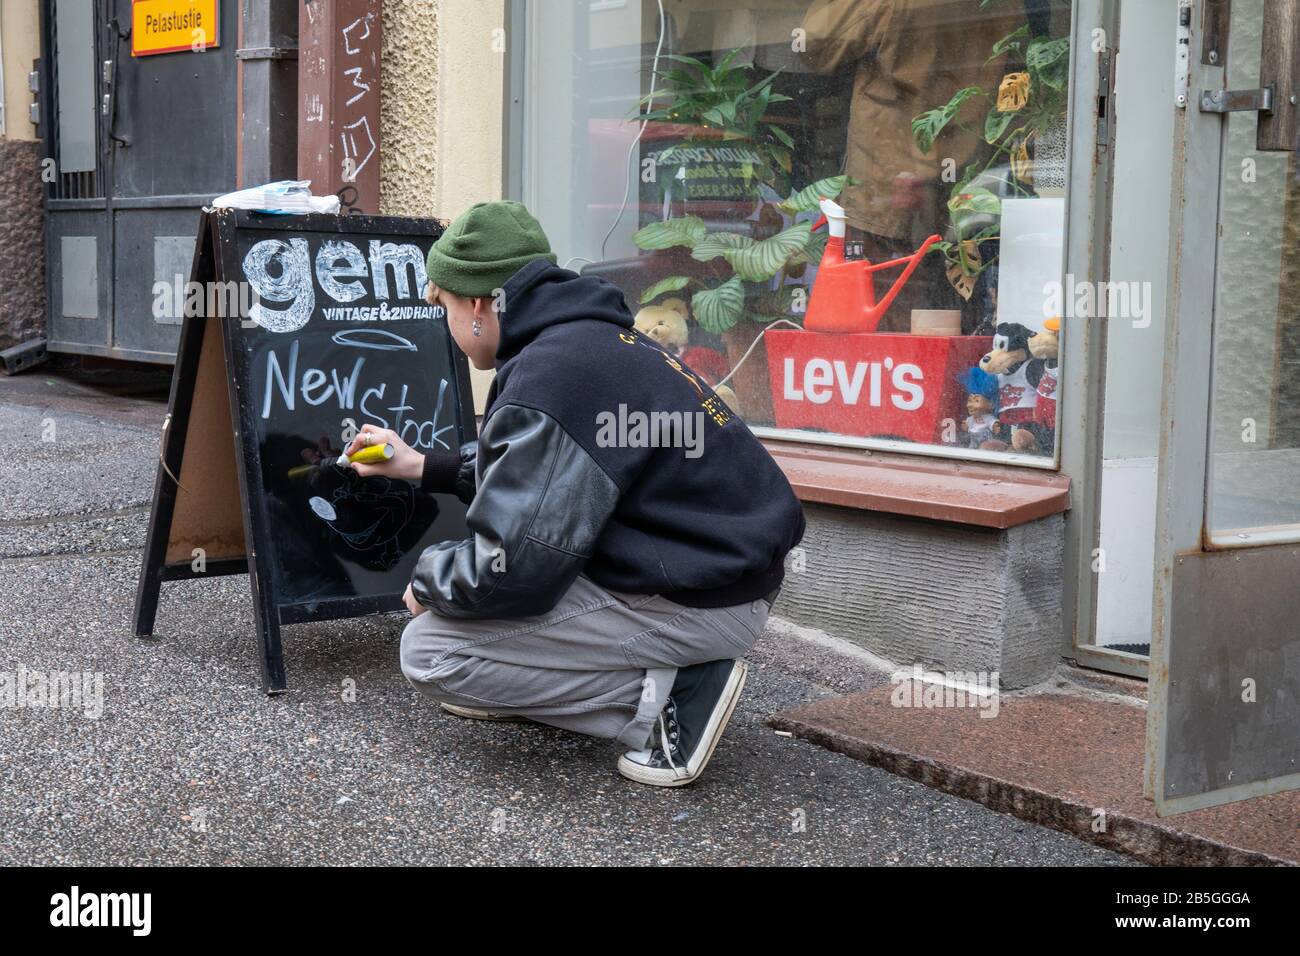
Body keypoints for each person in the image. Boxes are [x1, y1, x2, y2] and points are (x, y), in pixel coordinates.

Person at [343, 200, 805, 787]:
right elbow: (542, 480)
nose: (445, 320)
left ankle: (673, 696)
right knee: (477, 616)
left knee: (433, 651)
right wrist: (420, 465)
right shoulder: (589, 343)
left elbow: (515, 567)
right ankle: (575, 681)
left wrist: (431, 580)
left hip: (703, 600)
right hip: (720, 571)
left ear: (481, 305)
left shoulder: (551, 375)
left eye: (444, 303)